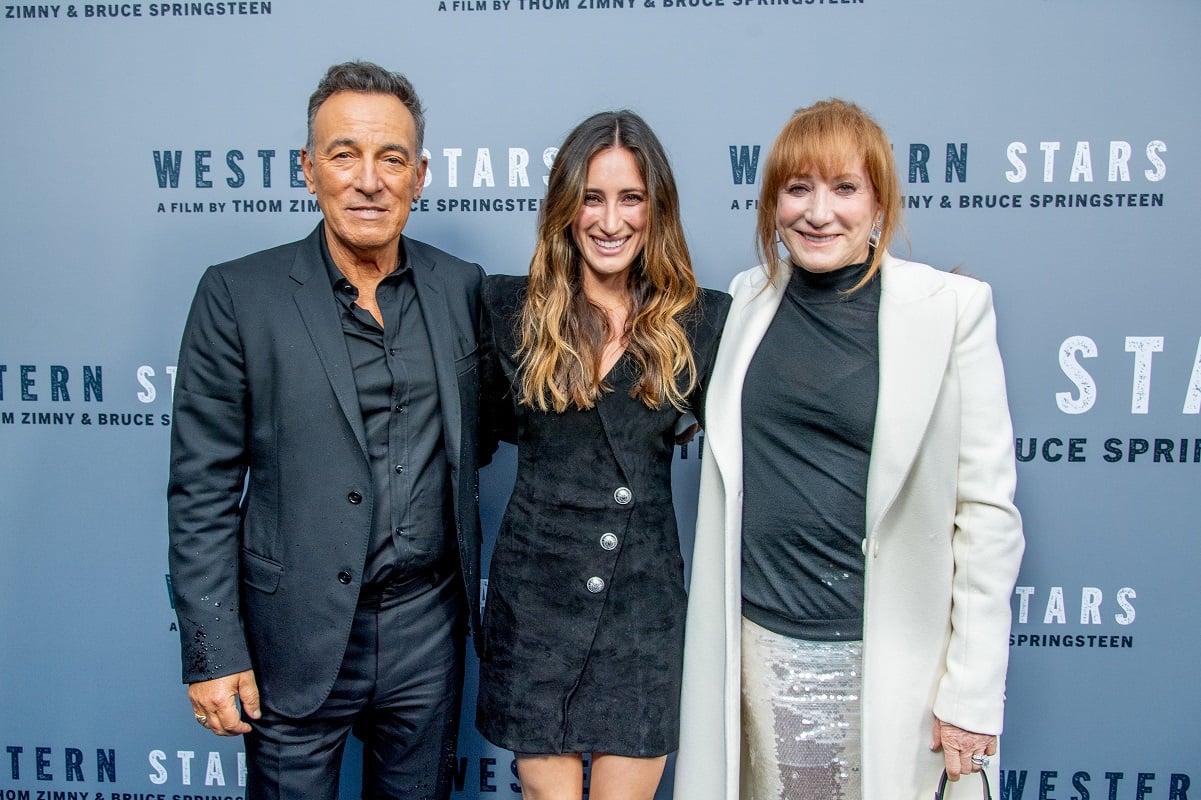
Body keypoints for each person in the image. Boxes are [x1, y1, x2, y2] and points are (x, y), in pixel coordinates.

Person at [674, 99, 1025, 800]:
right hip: (758, 648)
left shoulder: (951, 311)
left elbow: (987, 514)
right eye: (796, 188)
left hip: (889, 660)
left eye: (843, 188)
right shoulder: (745, 302)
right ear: (772, 203)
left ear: (878, 202)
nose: (818, 212)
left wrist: (972, 695)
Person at [167, 61, 488, 800]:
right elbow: (201, 489)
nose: (369, 179)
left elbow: (495, 427)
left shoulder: (460, 286)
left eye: (392, 158)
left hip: (426, 630)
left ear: (420, 175)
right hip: (293, 632)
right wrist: (214, 651)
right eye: (345, 154)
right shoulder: (237, 295)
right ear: (308, 170)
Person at [475, 110, 730, 800]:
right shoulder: (507, 312)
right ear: (565, 206)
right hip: (537, 605)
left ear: (656, 210)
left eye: (630, 199)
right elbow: (459, 438)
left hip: (641, 611)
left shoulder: (703, 324)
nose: (609, 220)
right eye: (591, 197)